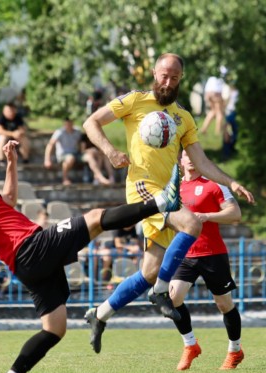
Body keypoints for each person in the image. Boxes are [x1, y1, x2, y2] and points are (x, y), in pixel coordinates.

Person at [0, 139, 182, 373]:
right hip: (31, 248)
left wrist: (11, 163)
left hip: (25, 263)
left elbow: (9, 199)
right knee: (95, 217)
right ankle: (161, 202)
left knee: (55, 328)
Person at [82, 53, 254, 354]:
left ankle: (100, 314)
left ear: (181, 79)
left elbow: (201, 161)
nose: (168, 82)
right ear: (153, 73)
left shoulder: (183, 117)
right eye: (163, 75)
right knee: (191, 223)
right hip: (142, 188)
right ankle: (161, 292)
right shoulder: (134, 101)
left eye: (174, 78)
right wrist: (110, 151)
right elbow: (91, 122)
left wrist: (231, 183)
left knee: (149, 271)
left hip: (168, 193)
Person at [170, 150, 244, 371]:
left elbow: (235, 214)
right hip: (185, 254)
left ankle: (235, 350)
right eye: (186, 155)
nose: (191, 159)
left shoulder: (214, 184)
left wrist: (207, 216)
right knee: (173, 297)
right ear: (181, 161)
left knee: (224, 304)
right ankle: (190, 345)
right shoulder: (174, 188)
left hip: (212, 254)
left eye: (194, 154)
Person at [44, 118, 89, 185]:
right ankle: (65, 178)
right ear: (64, 124)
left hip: (76, 154)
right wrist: (47, 160)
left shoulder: (77, 131)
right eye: (67, 124)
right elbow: (50, 144)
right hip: (63, 155)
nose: (69, 126)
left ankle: (96, 177)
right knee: (70, 158)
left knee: (90, 158)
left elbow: (82, 142)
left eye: (70, 124)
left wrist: (83, 151)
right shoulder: (59, 132)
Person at [199, 66, 227, 136]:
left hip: (208, 91)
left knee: (213, 111)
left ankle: (204, 129)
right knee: (219, 112)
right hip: (216, 92)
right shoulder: (223, 69)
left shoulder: (214, 67)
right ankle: (218, 132)